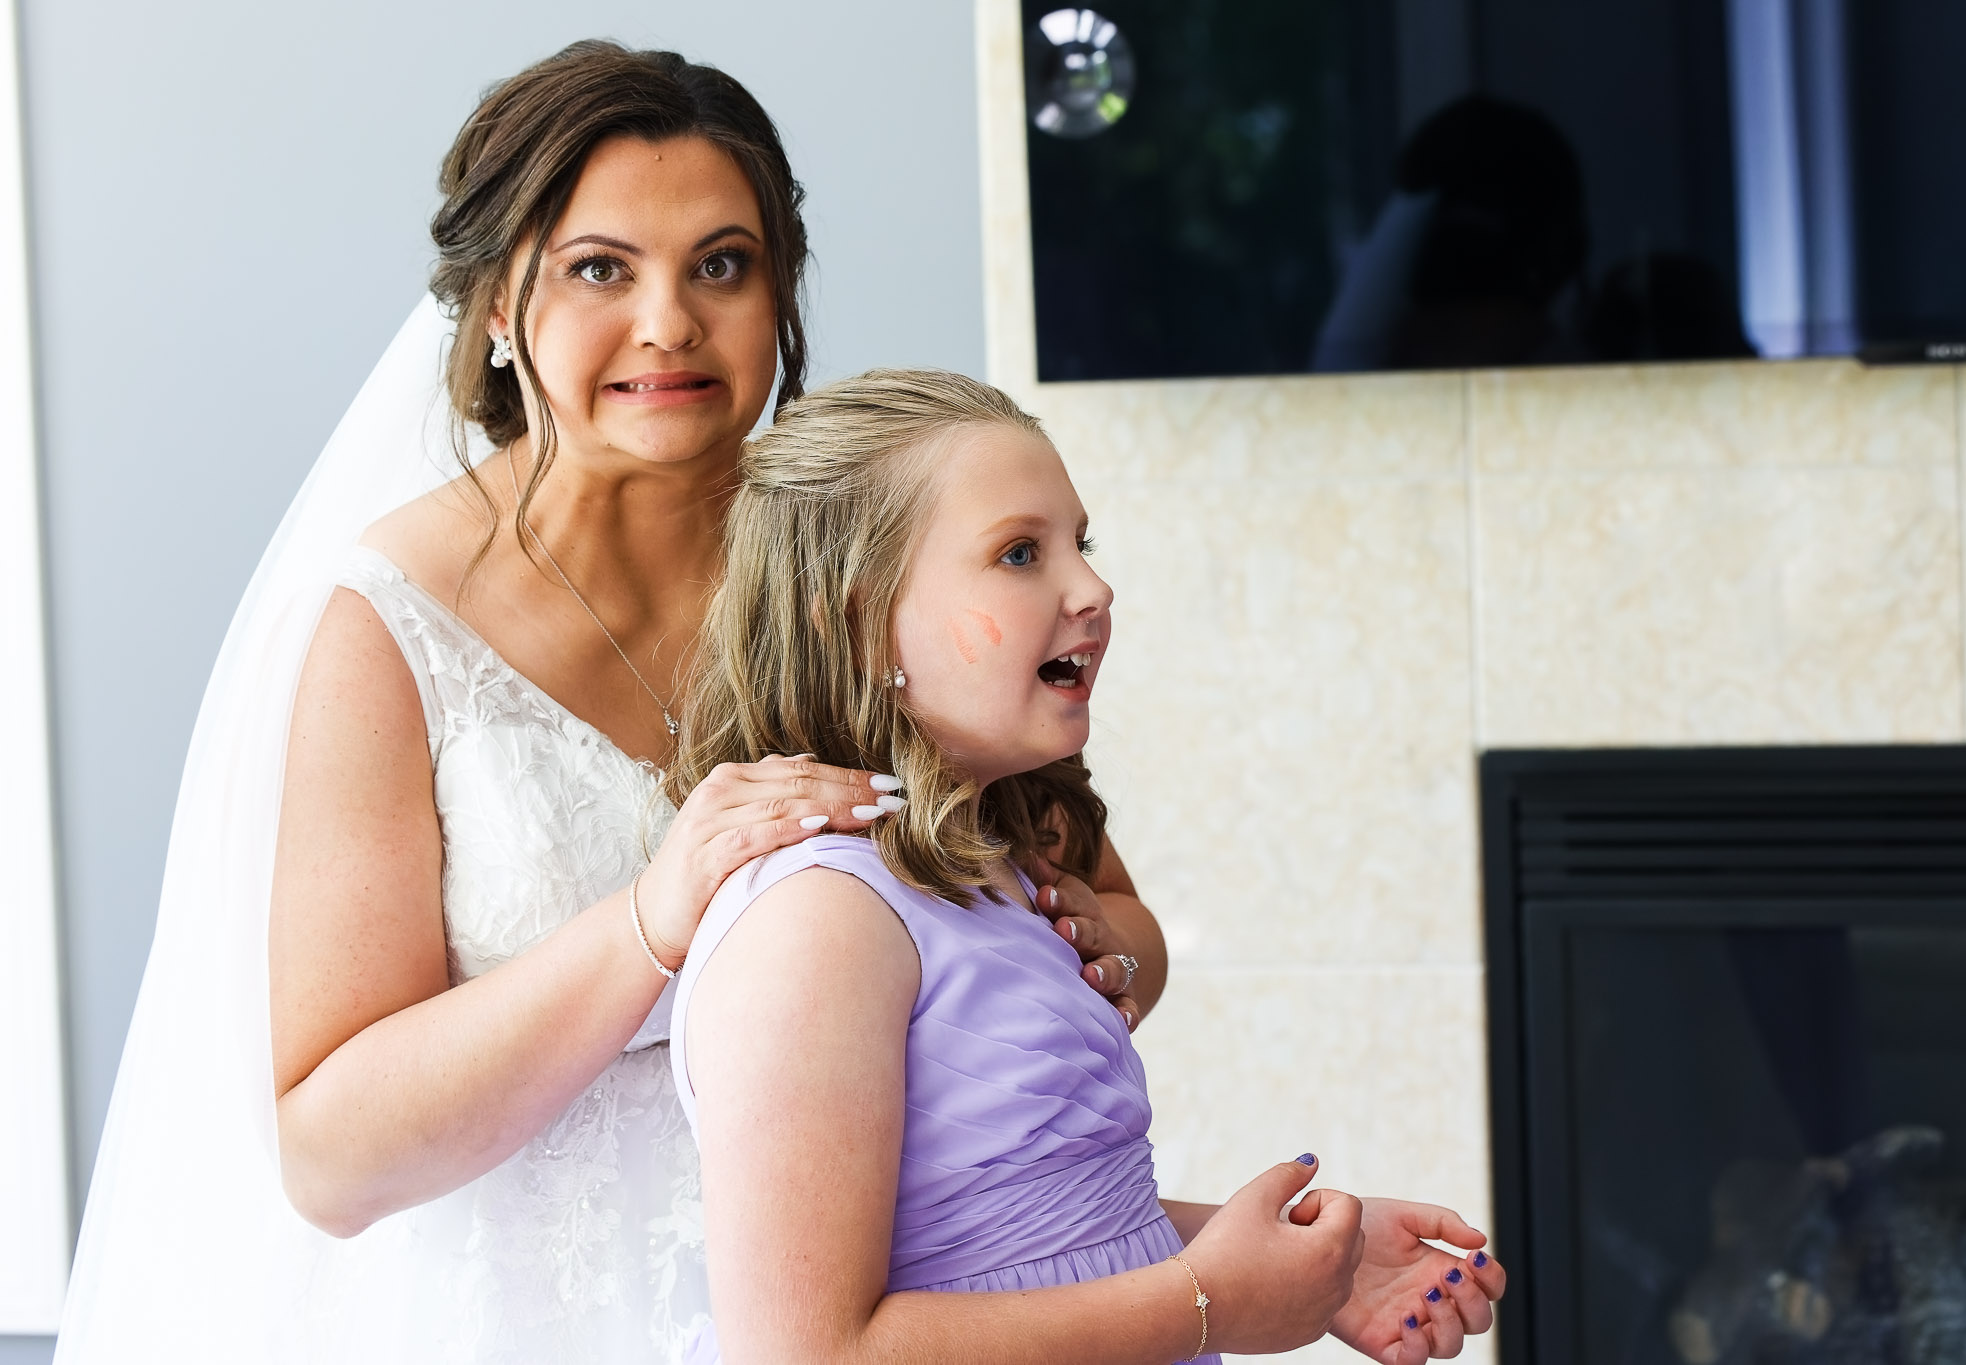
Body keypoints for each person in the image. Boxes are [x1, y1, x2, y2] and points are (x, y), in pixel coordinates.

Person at [56, 39, 1499, 1364]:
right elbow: (332, 1154)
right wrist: (649, 925)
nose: (669, 323)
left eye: (725, 264)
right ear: (502, 303)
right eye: (600, 270)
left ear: (782, 290)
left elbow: (1106, 942)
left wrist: (1093, 984)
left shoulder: (861, 566)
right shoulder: (389, 632)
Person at [666, 370, 1507, 1364]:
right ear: (853, 620)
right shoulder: (815, 924)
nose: (1092, 589)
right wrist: (1203, 1302)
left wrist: (1292, 1264)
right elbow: (807, 1353)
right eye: (1019, 553)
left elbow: (1025, 1246)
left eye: (1081, 543)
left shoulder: (992, 878)